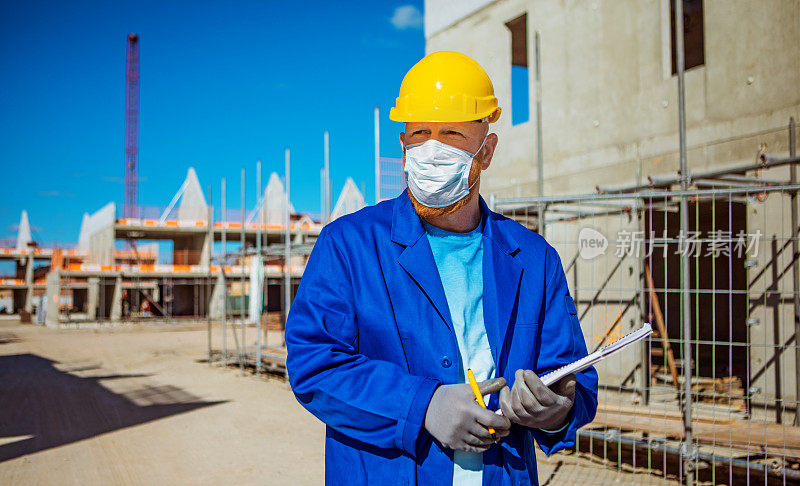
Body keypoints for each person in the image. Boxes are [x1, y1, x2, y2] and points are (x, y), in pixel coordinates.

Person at [286, 51, 598, 485]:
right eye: (419, 133)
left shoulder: (534, 259)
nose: (432, 149)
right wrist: (422, 406)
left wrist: (556, 407)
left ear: (485, 151)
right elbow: (314, 363)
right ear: (403, 146)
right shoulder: (348, 245)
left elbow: (572, 382)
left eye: (451, 133)